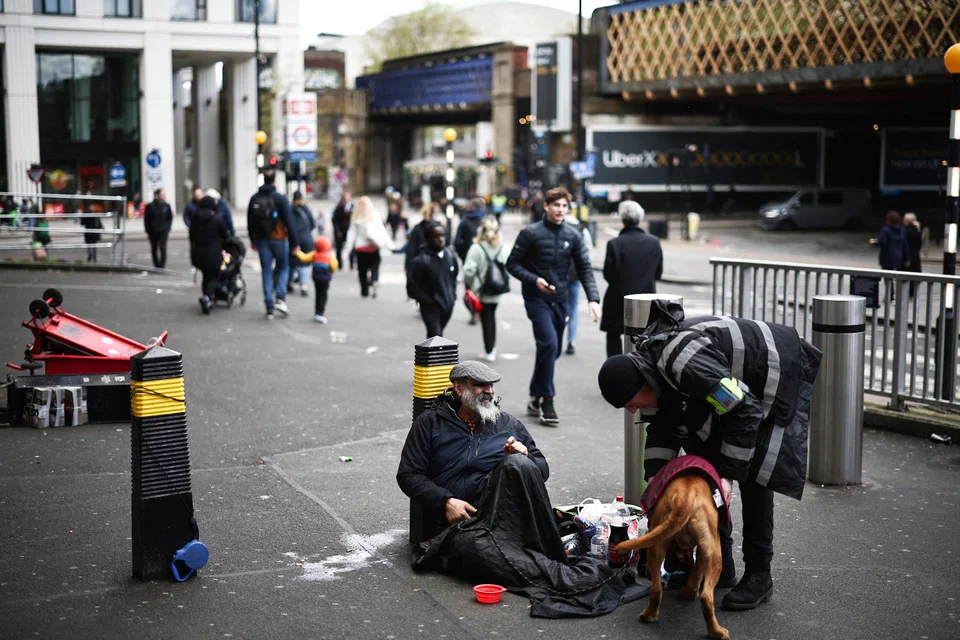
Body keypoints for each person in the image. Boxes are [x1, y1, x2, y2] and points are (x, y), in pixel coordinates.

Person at [597, 298, 821, 612]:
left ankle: (760, 575)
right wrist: (655, 483)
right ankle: (721, 565)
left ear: (643, 381)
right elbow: (663, 428)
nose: (633, 409)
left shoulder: (686, 364)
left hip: (772, 375)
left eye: (631, 401)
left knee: (756, 473)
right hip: (738, 393)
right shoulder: (655, 373)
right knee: (708, 464)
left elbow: (743, 409)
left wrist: (727, 475)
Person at [397, 360, 549, 541]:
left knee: (518, 463)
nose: (489, 391)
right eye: (480, 385)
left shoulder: (508, 424)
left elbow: (542, 470)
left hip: (500, 517)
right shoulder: (429, 423)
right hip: (451, 522)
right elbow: (409, 475)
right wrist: (445, 502)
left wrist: (525, 457)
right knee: (487, 554)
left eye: (491, 385)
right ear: (459, 389)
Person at [506, 186, 601, 426]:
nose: (560, 210)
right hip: (536, 299)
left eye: (564, 206)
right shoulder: (530, 233)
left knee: (552, 350)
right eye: (556, 205)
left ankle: (534, 395)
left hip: (560, 299)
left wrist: (593, 299)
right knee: (548, 343)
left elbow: (585, 268)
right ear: (546, 206)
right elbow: (512, 264)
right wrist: (534, 280)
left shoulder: (573, 235)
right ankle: (547, 400)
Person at [600, 200, 664, 358]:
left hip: (617, 301)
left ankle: (616, 372)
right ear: (641, 218)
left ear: (622, 219)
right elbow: (658, 273)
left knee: (614, 336)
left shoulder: (614, 244)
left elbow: (608, 274)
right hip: (646, 302)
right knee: (643, 340)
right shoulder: (654, 242)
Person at [247, 169, 298, 319]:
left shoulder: (255, 198)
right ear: (275, 181)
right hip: (279, 239)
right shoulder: (280, 198)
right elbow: (290, 221)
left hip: (262, 240)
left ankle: (269, 305)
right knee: (283, 267)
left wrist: (253, 240)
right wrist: (295, 243)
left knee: (266, 270)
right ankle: (280, 298)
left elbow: (250, 221)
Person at [463, 217, 510, 361]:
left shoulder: (477, 248)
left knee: (487, 319)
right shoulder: (502, 247)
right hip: (498, 290)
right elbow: (509, 266)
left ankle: (489, 350)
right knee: (491, 317)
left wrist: (474, 284)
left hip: (482, 291)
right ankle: (491, 348)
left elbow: (468, 271)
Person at [407, 221, 459, 338]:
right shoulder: (421, 260)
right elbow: (411, 286)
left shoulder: (450, 256)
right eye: (436, 236)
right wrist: (428, 300)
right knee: (435, 335)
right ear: (428, 239)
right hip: (430, 306)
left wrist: (452, 296)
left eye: (442, 235)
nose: (441, 239)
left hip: (447, 303)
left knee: (438, 336)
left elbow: (453, 278)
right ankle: (431, 356)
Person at [343, 195, 393, 298]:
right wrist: (389, 244)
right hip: (373, 247)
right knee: (375, 266)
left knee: (362, 270)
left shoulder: (355, 216)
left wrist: (346, 251)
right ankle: (374, 280)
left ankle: (364, 290)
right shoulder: (374, 215)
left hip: (360, 248)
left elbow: (351, 234)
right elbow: (381, 230)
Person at [559, 210, 593, 356]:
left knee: (559, 307)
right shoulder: (581, 229)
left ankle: (557, 338)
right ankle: (571, 341)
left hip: (559, 275)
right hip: (575, 274)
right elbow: (588, 252)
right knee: (573, 308)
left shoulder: (557, 227)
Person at [189, 195, 230, 314]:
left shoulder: (195, 218)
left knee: (206, 276)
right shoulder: (217, 219)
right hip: (213, 254)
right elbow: (226, 236)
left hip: (198, 253)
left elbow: (192, 236)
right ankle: (207, 297)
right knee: (215, 276)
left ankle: (207, 299)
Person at [295, 235, 338, 324]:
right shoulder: (330, 256)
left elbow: (304, 258)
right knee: (323, 295)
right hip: (325, 279)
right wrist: (332, 271)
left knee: (318, 293)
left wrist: (297, 252)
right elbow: (334, 266)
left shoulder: (314, 253)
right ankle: (320, 313)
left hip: (316, 278)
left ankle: (317, 312)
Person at [871, 210, 911, 299]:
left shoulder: (886, 230)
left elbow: (883, 241)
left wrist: (874, 242)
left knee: (888, 278)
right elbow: (905, 245)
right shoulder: (902, 230)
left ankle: (890, 295)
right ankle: (900, 296)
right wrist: (907, 258)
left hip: (887, 257)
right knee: (898, 278)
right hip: (899, 256)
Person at [289, 191, 317, 297]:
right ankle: (303, 286)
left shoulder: (290, 209)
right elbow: (313, 224)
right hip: (307, 239)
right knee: (304, 263)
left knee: (292, 261)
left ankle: (290, 282)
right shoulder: (306, 209)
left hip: (294, 239)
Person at [144, 188, 173, 269]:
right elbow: (147, 219)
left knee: (163, 248)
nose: (163, 197)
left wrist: (168, 228)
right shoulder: (150, 206)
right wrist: (148, 230)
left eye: (164, 195)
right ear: (157, 195)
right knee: (154, 249)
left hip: (163, 232)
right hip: (153, 232)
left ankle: (162, 266)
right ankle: (156, 265)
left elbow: (170, 218)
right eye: (161, 195)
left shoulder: (166, 206)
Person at [454, 197, 488, 264]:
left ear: (471, 206)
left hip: (467, 254)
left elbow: (457, 242)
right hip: (485, 255)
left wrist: (462, 254)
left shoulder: (464, 221)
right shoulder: (487, 221)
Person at [903, 212, 923, 298]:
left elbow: (905, 244)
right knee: (914, 275)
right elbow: (920, 243)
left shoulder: (906, 231)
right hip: (915, 254)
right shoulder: (917, 229)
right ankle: (912, 293)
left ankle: (907, 293)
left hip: (909, 254)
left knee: (907, 274)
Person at [331, 190, 353, 267]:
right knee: (339, 248)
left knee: (351, 247)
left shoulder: (353, 207)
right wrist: (337, 231)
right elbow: (334, 220)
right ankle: (339, 264)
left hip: (350, 231)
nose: (346, 200)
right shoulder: (339, 207)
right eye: (345, 198)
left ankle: (352, 263)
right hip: (340, 231)